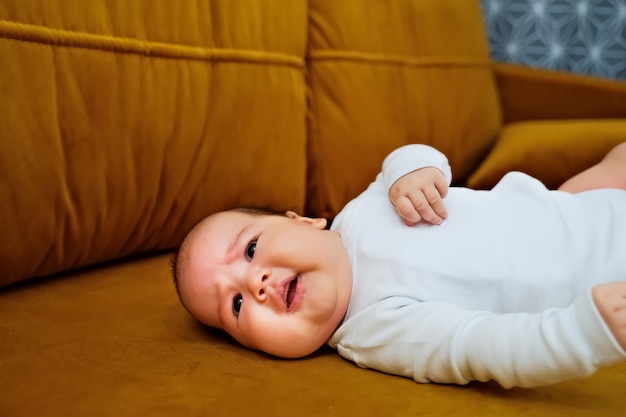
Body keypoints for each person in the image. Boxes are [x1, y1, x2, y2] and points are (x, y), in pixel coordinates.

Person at [172, 142, 626, 389]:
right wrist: (584, 333)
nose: (256, 284)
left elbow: (403, 157)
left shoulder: (364, 208)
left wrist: (411, 171)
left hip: (562, 207)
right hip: (603, 268)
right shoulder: (375, 330)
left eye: (250, 250)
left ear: (305, 220)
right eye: (233, 307)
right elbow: (485, 346)